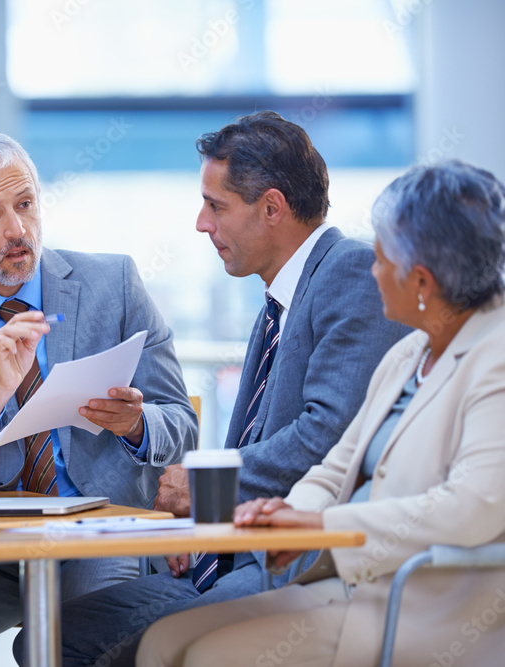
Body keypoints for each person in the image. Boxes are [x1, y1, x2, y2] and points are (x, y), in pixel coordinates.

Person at [49, 111, 410, 666]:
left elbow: (328, 434)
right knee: (47, 637)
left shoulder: (349, 272)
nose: (200, 223)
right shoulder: (279, 300)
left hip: (289, 566)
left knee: (82, 644)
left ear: (271, 207)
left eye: (215, 206)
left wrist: (208, 489)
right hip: (230, 549)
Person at [136, 160, 505, 666]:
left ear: (421, 279)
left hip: (430, 601)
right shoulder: (410, 354)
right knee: (162, 641)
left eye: (381, 258)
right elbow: (336, 465)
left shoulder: (496, 358)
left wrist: (322, 522)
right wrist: (291, 515)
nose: (371, 271)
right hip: (351, 580)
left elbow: (473, 505)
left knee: (208, 656)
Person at [0, 131, 198, 665]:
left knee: (64, 644)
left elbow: (182, 424)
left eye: (26, 204)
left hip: (98, 531)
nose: (17, 229)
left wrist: (135, 424)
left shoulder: (114, 284)